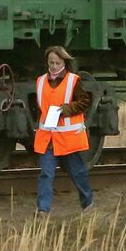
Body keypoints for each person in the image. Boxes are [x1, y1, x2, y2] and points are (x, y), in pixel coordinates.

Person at [33, 44, 94, 214]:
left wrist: (65, 109)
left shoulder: (73, 81)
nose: (53, 66)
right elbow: (39, 108)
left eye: (57, 63)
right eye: (51, 63)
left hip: (67, 140)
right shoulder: (40, 81)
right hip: (48, 139)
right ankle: (43, 210)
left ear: (64, 63)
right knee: (46, 174)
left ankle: (87, 203)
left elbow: (84, 103)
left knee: (78, 173)